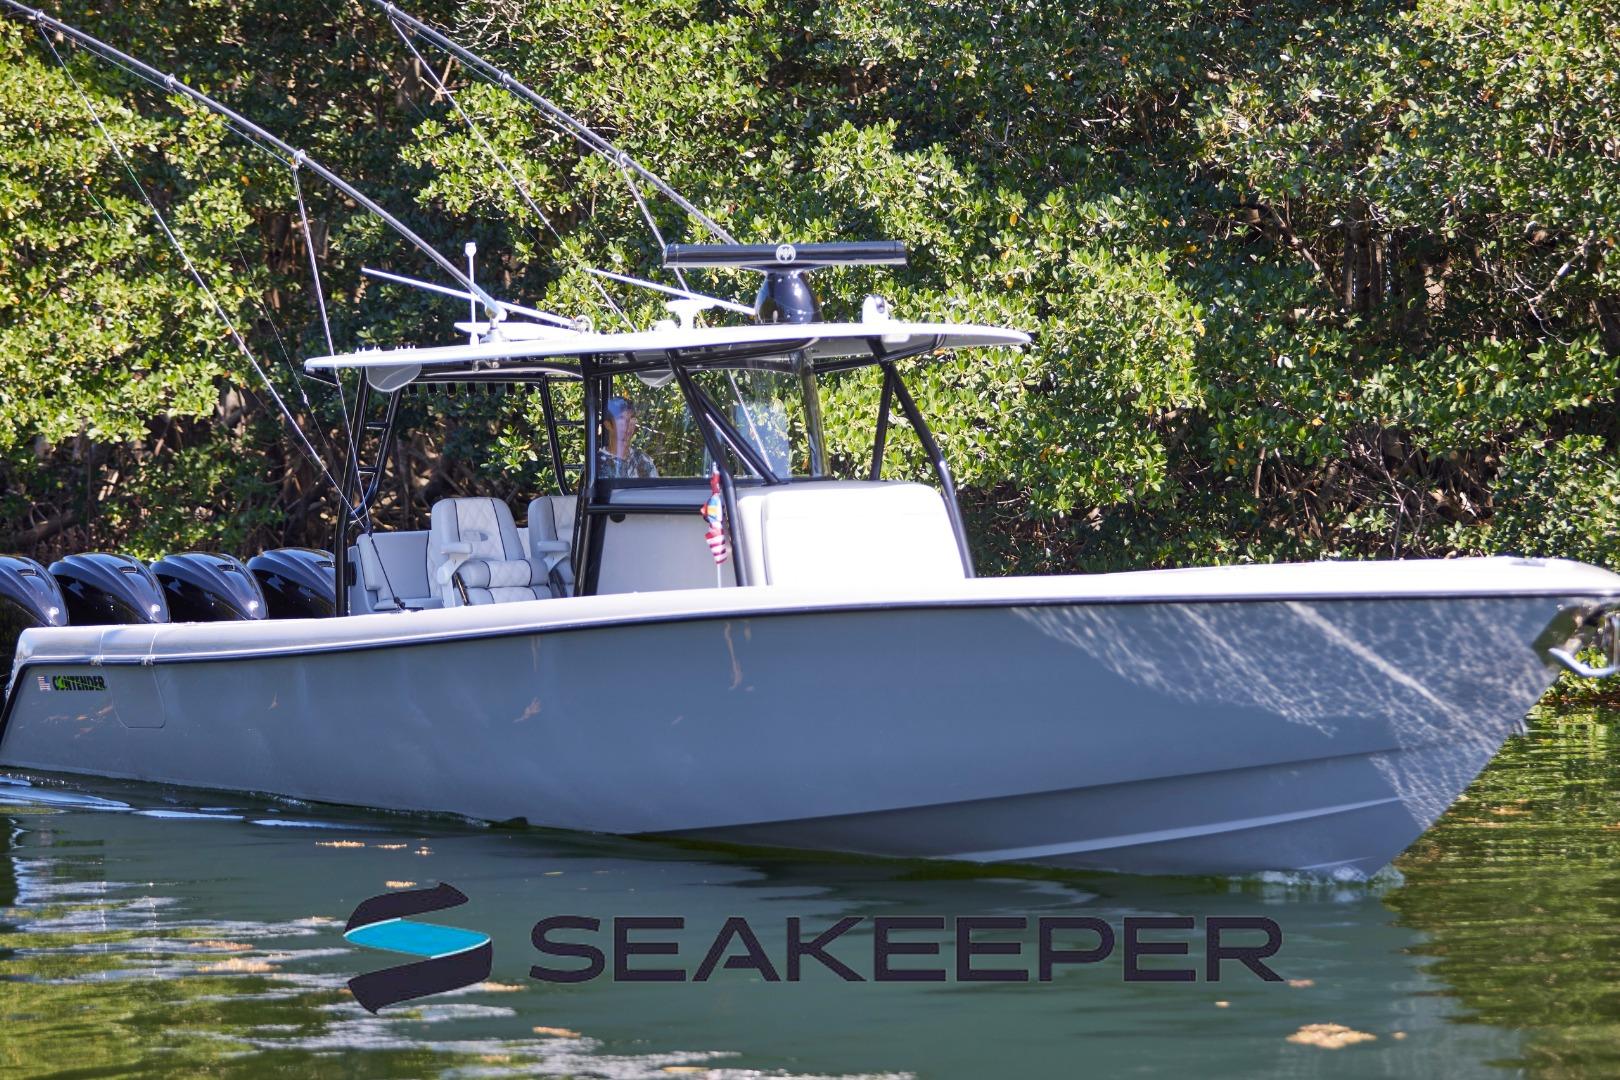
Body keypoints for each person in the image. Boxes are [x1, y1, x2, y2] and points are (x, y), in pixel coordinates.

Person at [596, 395, 658, 479]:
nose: (628, 425)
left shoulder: (643, 460)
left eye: (632, 419)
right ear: (608, 425)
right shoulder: (596, 465)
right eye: (621, 419)